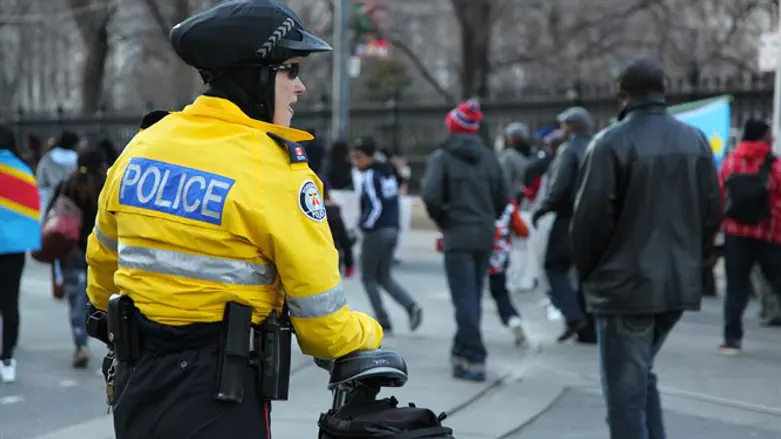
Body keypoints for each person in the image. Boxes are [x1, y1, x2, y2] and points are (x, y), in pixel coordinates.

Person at [85, 2, 382, 438]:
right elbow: (323, 328)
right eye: (290, 71)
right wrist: (368, 333)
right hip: (221, 392)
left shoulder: (144, 146)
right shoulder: (276, 171)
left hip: (137, 384)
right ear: (256, 77)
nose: (299, 88)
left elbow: (102, 269)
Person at [570, 55, 721, 439]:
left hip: (626, 286)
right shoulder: (695, 140)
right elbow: (712, 210)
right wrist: (695, 262)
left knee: (624, 397)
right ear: (663, 91)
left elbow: (589, 223)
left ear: (623, 95)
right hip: (675, 282)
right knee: (639, 376)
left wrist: (589, 279)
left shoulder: (610, 143)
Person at [421, 99, 508, 381]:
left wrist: (446, 221)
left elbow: (432, 196)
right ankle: (461, 350)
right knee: (473, 296)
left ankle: (474, 356)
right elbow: (503, 197)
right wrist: (487, 217)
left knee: (464, 298)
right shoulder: (489, 159)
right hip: (483, 235)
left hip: (457, 235)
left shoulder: (443, 158)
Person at [718, 119, 781, 354]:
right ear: (763, 137)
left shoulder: (730, 162)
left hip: (736, 234)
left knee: (735, 287)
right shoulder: (775, 165)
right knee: (778, 284)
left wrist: (716, 231)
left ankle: (731, 340)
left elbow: (720, 197)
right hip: (770, 234)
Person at [532, 107, 594, 343]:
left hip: (568, 218)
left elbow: (559, 188)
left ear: (573, 126)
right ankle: (587, 327)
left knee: (554, 266)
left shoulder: (569, 150)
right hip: (594, 219)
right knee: (584, 272)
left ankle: (573, 315)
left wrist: (543, 208)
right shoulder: (599, 146)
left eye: (565, 125)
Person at [350, 136, 423, 334]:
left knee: (368, 277)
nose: (355, 163)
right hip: (392, 228)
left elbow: (375, 205)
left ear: (367, 157)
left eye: (357, 158)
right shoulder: (387, 172)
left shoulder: (370, 176)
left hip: (377, 231)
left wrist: (363, 226)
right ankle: (411, 306)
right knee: (384, 276)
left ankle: (383, 320)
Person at [48, 144, 106, 368]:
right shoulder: (107, 185)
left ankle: (81, 344)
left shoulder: (68, 185)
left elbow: (53, 215)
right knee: (106, 299)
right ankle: (113, 344)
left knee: (77, 299)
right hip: (101, 251)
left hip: (73, 251)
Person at [0, 124, 42, 384]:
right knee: (10, 302)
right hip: (14, 249)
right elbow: (32, 209)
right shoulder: (23, 171)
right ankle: (7, 358)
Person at [487, 192, 529, 346]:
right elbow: (523, 231)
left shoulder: (474, 200)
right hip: (500, 255)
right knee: (500, 291)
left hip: (475, 249)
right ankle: (512, 318)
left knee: (469, 292)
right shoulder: (509, 207)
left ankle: (469, 329)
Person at [36, 130, 80, 219]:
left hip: (46, 197)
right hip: (68, 201)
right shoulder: (76, 159)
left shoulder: (48, 157)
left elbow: (40, 177)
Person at [323, 183, 356, 278]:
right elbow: (344, 239)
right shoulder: (335, 210)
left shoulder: (312, 212)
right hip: (335, 254)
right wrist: (349, 265)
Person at [499, 122, 532, 194]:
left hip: (515, 196)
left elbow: (505, 179)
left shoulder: (508, 156)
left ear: (514, 137)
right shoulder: (533, 152)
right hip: (530, 197)